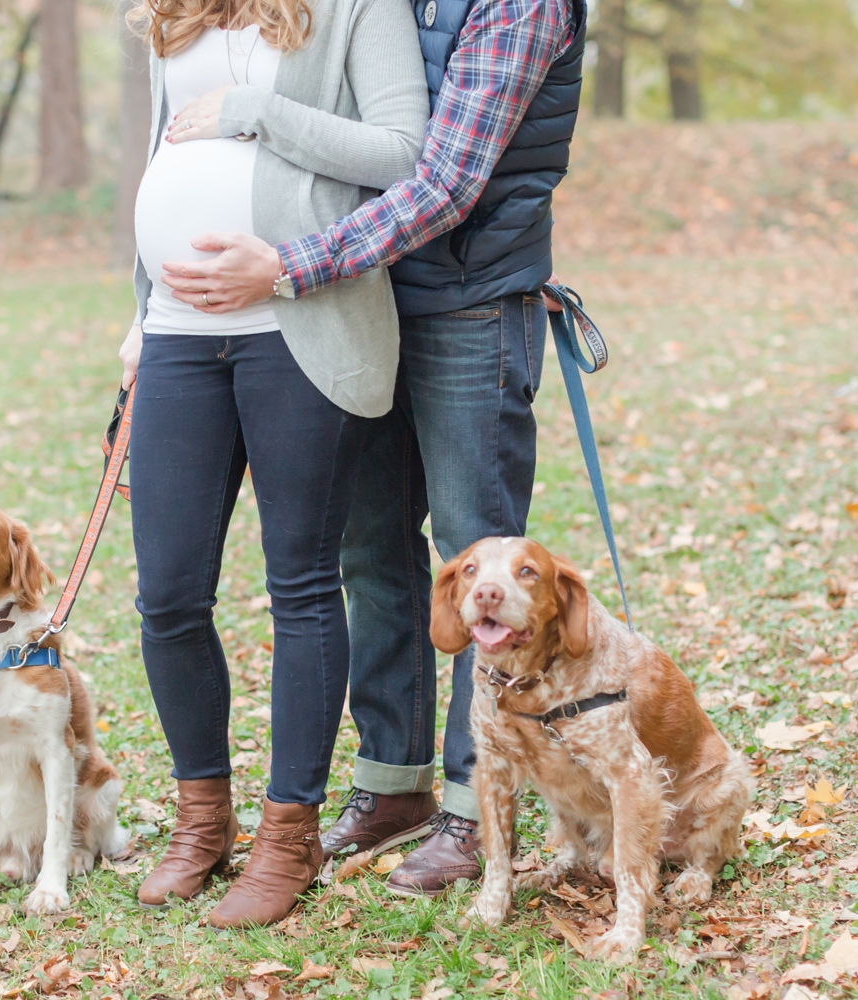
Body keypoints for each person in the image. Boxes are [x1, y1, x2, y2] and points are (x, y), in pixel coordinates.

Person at [155, 0, 585, 897]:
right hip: (364, 301)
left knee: (481, 566)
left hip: (469, 300)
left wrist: (296, 263)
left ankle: (477, 806)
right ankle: (394, 784)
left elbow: (444, 180)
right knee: (370, 554)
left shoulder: (520, 5)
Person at [118, 0, 429, 927]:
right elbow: (163, 158)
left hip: (298, 321)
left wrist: (256, 110)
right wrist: (138, 310)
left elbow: (404, 154)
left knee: (299, 584)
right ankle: (200, 821)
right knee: (167, 593)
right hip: (178, 334)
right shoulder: (171, 15)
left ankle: (285, 838)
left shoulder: (356, 10)